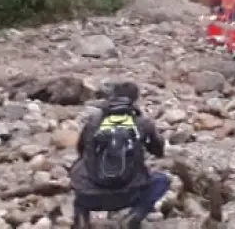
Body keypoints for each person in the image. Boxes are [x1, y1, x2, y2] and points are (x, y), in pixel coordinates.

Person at [69, 81, 169, 229]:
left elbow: (81, 150)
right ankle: (134, 216)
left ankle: (82, 222)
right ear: (135, 99)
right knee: (162, 180)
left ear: (112, 96)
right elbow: (159, 151)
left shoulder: (94, 121)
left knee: (80, 181)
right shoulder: (142, 122)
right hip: (130, 194)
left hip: (90, 197)